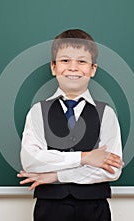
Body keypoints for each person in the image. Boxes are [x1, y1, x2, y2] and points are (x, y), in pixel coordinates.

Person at [17, 29, 124, 221]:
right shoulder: (37, 111)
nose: (73, 67)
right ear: (53, 67)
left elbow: (112, 169)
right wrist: (86, 157)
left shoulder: (106, 113)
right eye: (65, 61)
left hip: (95, 208)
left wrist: (56, 176)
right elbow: (31, 160)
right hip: (49, 208)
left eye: (82, 61)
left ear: (92, 69)